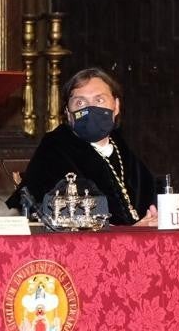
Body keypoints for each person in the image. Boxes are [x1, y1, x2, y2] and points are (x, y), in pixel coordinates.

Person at [9, 68, 159, 226]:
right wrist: (131, 231)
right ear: (68, 113)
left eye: (99, 100)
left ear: (116, 106)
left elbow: (152, 198)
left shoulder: (123, 147)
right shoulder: (54, 149)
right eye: (80, 103)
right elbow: (61, 217)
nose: (90, 109)